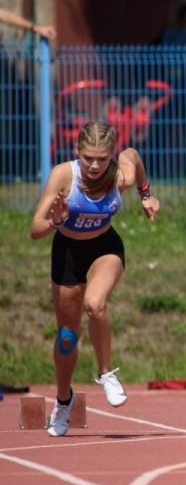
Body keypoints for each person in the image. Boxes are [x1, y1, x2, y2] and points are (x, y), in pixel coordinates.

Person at [28, 121, 160, 437]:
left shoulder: (120, 175)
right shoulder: (64, 175)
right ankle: (63, 401)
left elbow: (134, 157)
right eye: (89, 158)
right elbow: (34, 230)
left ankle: (106, 373)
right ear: (77, 152)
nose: (96, 166)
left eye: (102, 158)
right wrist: (56, 221)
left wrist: (146, 196)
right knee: (67, 337)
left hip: (105, 247)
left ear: (111, 155)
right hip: (68, 252)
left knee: (95, 304)